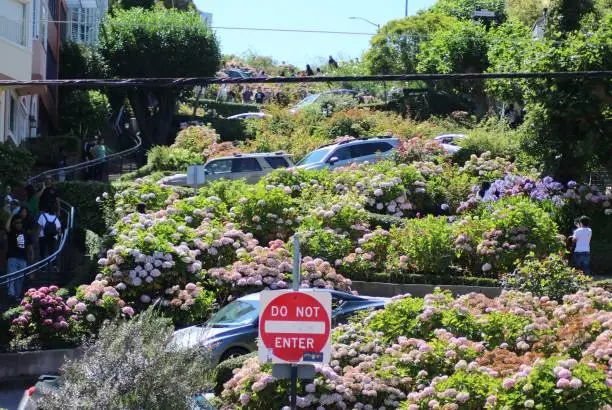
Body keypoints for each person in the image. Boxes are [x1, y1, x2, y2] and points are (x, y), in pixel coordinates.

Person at [6, 214, 33, 300]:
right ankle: (11, 294)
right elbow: (7, 227)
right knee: (11, 276)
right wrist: (11, 216)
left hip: (23, 258)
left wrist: (31, 256)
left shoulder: (25, 232)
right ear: (13, 224)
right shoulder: (11, 232)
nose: (19, 224)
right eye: (17, 223)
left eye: (21, 222)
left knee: (20, 278)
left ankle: (17, 296)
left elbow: (29, 246)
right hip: (12, 257)